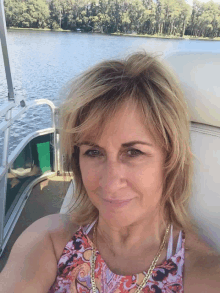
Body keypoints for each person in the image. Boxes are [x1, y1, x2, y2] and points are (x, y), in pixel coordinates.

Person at [0, 51, 219, 293]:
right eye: (93, 152)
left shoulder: (200, 273)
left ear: (171, 159)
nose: (111, 182)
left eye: (134, 152)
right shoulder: (48, 241)